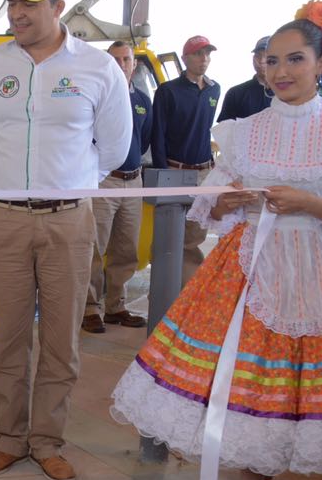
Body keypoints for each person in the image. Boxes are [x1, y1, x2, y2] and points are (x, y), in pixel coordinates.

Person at [111, 19, 322, 480]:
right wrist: (230, 200)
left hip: (321, 274)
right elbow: (211, 202)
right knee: (244, 384)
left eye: (295, 59)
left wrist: (313, 203)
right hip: (246, 273)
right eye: (273, 59)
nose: (282, 70)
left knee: (296, 389)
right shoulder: (242, 130)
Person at [0, 0, 131, 480]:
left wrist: (69, 183)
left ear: (58, 7)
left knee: (61, 340)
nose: (16, 13)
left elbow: (115, 149)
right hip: (6, 220)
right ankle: (9, 439)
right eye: (11, 3)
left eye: (28, 4)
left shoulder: (97, 68)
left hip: (68, 222)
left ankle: (47, 441)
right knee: (9, 338)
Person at [82, 41, 153, 333]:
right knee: (93, 248)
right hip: (104, 181)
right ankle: (89, 308)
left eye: (127, 59)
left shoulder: (143, 100)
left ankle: (116, 306)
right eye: (116, 59)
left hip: (132, 182)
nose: (122, 64)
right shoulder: (97, 97)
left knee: (126, 248)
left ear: (134, 64)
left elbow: (145, 138)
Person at [151, 35, 222, 283]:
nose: (204, 59)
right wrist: (163, 173)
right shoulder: (168, 91)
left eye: (207, 54)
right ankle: (165, 288)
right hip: (174, 169)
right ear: (185, 59)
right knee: (169, 234)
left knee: (195, 235)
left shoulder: (215, 89)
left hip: (203, 172)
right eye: (198, 54)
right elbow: (157, 133)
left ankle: (187, 292)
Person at [218, 37, 273, 122]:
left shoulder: (291, 93)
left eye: (267, 56)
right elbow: (224, 131)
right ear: (253, 59)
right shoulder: (235, 93)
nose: (262, 60)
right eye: (258, 55)